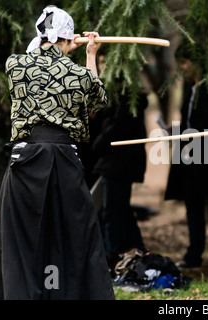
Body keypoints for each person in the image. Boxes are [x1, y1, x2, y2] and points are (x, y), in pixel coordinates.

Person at [0, 6, 115, 300]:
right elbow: (97, 102)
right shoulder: (78, 74)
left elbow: (36, 53)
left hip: (26, 159)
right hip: (64, 160)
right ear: (68, 37)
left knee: (21, 239)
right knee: (76, 235)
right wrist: (89, 55)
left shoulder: (15, 65)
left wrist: (56, 43)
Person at [164, 40, 208, 270]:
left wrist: (192, 143)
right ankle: (194, 255)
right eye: (180, 63)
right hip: (190, 162)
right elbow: (190, 122)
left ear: (196, 61)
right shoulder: (190, 89)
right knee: (193, 206)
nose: (182, 67)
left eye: (185, 62)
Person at [91, 54, 149, 276]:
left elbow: (116, 128)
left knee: (113, 213)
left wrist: (97, 144)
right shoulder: (118, 96)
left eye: (106, 62)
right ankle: (135, 251)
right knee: (119, 211)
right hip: (116, 164)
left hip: (118, 164)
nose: (103, 66)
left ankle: (113, 257)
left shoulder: (126, 97)